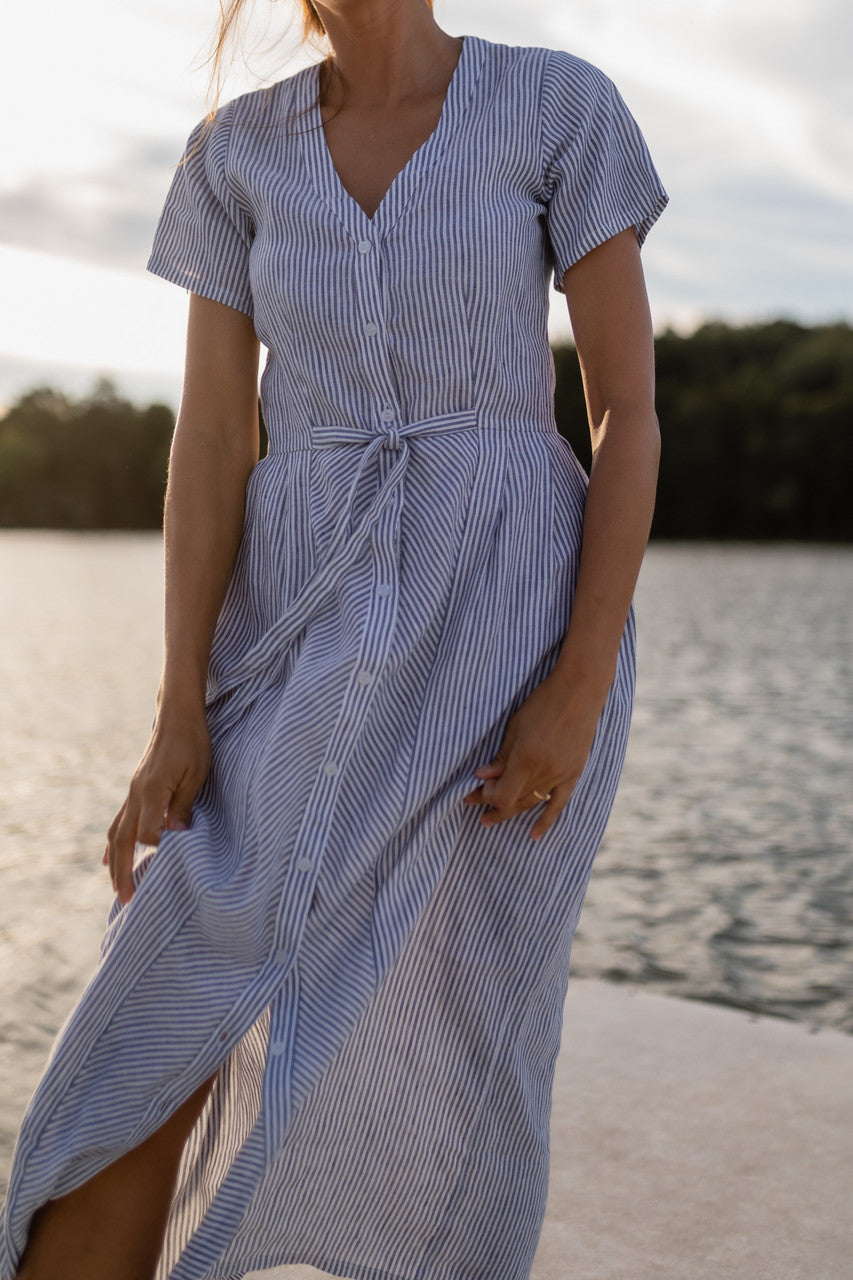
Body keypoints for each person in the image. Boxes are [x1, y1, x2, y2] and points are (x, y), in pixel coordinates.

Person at [1, 1, 668, 1277]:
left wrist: (579, 679)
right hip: (289, 636)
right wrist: (177, 709)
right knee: (149, 1009)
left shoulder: (554, 106)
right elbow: (207, 445)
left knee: (448, 1048)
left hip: (505, 636)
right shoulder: (234, 154)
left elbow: (625, 411)